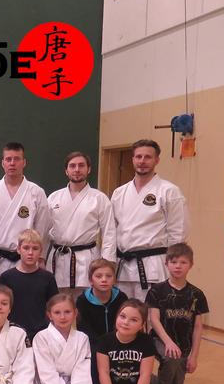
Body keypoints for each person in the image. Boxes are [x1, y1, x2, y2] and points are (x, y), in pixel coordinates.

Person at [111, 138, 189, 300]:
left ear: (157, 160)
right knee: (123, 312)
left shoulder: (169, 191)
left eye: (148, 157)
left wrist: (174, 265)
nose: (142, 161)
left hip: (152, 267)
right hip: (123, 268)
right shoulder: (119, 192)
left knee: (150, 312)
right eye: (138, 157)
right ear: (133, 159)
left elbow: (178, 232)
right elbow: (112, 230)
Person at [147, 243, 208, 384]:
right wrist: (168, 342)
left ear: (191, 265)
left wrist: (194, 356)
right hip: (160, 339)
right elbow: (154, 319)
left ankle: (147, 379)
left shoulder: (197, 294)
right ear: (166, 264)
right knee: (171, 357)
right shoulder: (157, 290)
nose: (178, 266)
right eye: (173, 262)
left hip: (184, 345)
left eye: (183, 262)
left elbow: (197, 327)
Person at [46, 151, 115, 293]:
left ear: (88, 169)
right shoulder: (54, 197)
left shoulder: (99, 198)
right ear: (66, 171)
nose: (77, 169)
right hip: (57, 258)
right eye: (72, 166)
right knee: (57, 300)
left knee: (85, 300)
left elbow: (109, 232)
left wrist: (106, 264)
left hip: (86, 259)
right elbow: (43, 231)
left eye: (81, 165)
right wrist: (40, 259)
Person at [0, 142, 51, 278]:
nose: (12, 163)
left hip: (26, 260)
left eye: (17, 159)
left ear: (24, 162)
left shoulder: (36, 192)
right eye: (8, 159)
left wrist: (40, 258)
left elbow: (42, 229)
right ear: (3, 163)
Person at [33, 294, 95, 384]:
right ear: (49, 315)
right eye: (57, 312)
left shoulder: (82, 338)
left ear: (75, 313)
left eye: (67, 312)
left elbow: (82, 371)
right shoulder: (41, 337)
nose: (62, 317)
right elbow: (47, 372)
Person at [92, 299, 154, 384]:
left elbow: (145, 375)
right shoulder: (104, 341)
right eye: (123, 316)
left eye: (133, 320)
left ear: (142, 325)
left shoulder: (147, 342)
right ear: (117, 317)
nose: (126, 322)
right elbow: (103, 373)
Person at [0, 229, 59, 341]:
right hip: (12, 333)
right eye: (26, 248)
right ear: (18, 249)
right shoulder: (7, 277)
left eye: (35, 248)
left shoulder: (48, 278)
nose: (30, 253)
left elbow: (55, 307)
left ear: (41, 251)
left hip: (41, 334)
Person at [76, 259, 128, 341]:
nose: (104, 280)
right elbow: (83, 328)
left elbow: (125, 323)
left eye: (109, 276)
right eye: (98, 276)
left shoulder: (121, 298)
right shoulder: (82, 301)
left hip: (118, 342)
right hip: (92, 343)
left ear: (114, 280)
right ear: (91, 280)